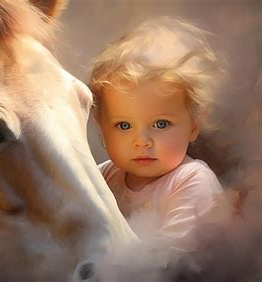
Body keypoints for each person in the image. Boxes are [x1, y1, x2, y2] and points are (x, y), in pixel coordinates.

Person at [89, 17, 227, 249]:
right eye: (123, 126)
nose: (142, 142)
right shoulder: (105, 175)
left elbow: (167, 264)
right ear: (101, 128)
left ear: (194, 125)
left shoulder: (191, 181)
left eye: (160, 124)